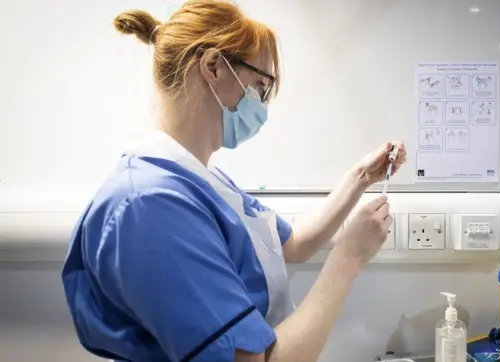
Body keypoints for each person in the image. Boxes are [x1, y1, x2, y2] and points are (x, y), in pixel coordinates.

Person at [61, 1, 407, 361]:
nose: (261, 105)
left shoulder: (198, 178)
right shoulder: (150, 206)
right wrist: (348, 258)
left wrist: (361, 178)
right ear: (213, 66)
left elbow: (291, 245)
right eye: (259, 86)